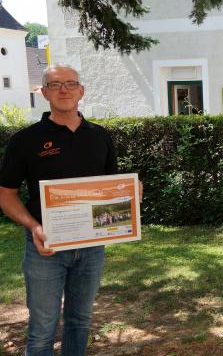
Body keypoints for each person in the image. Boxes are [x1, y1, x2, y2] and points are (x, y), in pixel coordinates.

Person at [0, 64, 118, 355]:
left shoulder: (100, 136)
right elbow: (6, 195)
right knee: (42, 329)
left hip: (91, 247)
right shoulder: (26, 140)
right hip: (46, 247)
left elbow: (110, 187)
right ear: (43, 92)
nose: (63, 89)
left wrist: (129, 192)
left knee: (80, 321)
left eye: (70, 83)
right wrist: (34, 227)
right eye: (54, 84)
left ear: (81, 91)